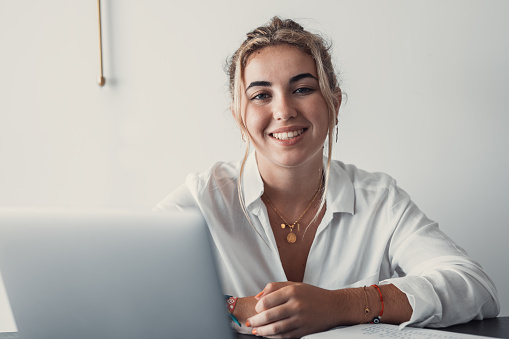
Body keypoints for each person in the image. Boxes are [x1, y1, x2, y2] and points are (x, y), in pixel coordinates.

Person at [155, 17, 499, 338]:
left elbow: (473, 287)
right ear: (238, 118)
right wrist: (235, 306)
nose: (284, 111)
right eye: (261, 95)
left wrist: (341, 305)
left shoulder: (378, 199)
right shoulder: (203, 199)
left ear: (334, 102)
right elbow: (133, 285)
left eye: (302, 89)